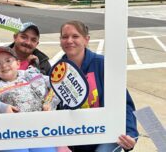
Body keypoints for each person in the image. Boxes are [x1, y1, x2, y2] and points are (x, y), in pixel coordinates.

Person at [0, 46, 66, 152]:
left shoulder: (31, 74)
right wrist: (1, 108)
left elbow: (58, 84)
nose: (4, 65)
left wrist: (50, 103)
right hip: (9, 134)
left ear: (18, 64)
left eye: (8, 61)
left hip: (40, 131)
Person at [58, 20, 138, 152]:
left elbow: (124, 103)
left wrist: (130, 134)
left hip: (106, 136)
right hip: (74, 140)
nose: (69, 40)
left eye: (75, 36)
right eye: (64, 37)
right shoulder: (57, 71)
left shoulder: (103, 65)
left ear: (86, 39)